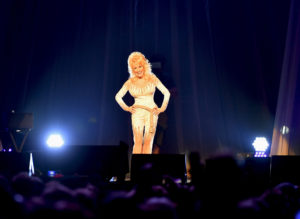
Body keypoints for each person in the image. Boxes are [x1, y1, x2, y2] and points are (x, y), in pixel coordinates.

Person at [115, 52, 170, 154]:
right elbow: (118, 96)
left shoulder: (152, 78)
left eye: (140, 66)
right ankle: (136, 168)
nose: (138, 70)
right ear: (132, 69)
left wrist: (162, 108)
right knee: (138, 142)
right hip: (137, 113)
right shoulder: (130, 82)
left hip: (151, 113)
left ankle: (144, 168)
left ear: (144, 66)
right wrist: (127, 108)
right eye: (135, 68)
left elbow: (166, 92)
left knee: (148, 142)